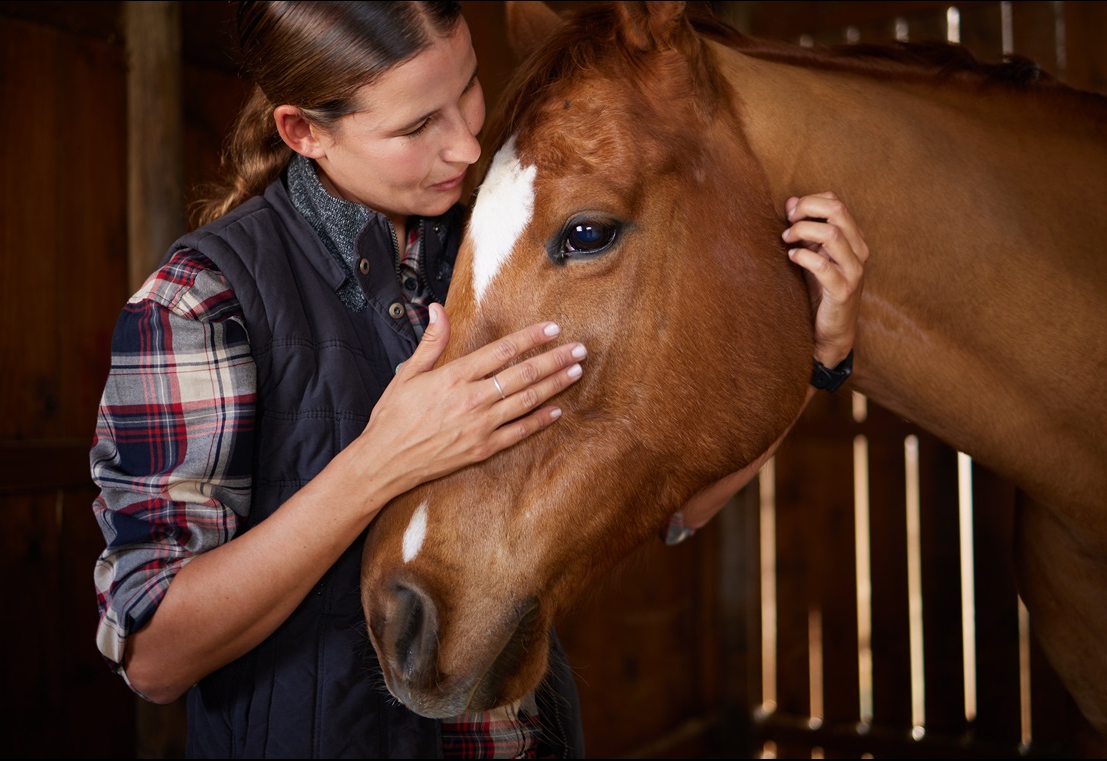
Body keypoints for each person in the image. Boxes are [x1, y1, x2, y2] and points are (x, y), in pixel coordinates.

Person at [89, 2, 868, 758]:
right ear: (303, 131)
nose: (466, 144)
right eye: (416, 125)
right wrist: (379, 461)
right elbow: (155, 656)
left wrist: (820, 358)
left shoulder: (499, 243)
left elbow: (668, 506)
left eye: (466, 88)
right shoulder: (198, 301)